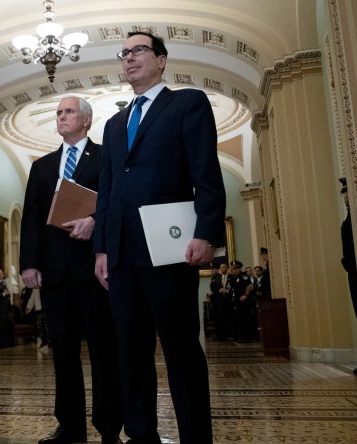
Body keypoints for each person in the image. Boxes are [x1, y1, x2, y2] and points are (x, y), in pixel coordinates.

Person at [93, 31, 226, 443]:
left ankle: (195, 437)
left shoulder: (187, 104)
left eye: (139, 50)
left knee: (181, 350)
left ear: (162, 60)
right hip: (121, 256)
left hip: (169, 249)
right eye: (125, 53)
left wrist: (206, 232)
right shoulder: (114, 124)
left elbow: (205, 172)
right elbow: (108, 190)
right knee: (131, 354)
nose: (130, 58)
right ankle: (141, 435)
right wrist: (101, 248)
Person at [20, 96, 123, 444]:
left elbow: (115, 201)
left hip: (94, 268)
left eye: (68, 112)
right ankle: (70, 426)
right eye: (59, 112)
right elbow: (31, 217)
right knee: (63, 353)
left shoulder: (106, 156)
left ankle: (109, 427)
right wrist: (29, 263)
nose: (61, 117)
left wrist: (94, 221)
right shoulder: (42, 166)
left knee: (103, 349)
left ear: (87, 120)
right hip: (54, 273)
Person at [340, 177, 357, 379]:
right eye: (343, 193)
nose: (344, 197)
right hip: (354, 272)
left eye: (346, 192)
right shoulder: (350, 217)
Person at [209, 262, 232, 341]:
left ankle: (223, 336)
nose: (212, 271)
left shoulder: (221, 277)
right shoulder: (215, 278)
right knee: (217, 319)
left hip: (222, 301)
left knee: (222, 319)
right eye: (221, 268)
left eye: (213, 269)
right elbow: (214, 289)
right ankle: (219, 335)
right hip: (216, 301)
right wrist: (211, 293)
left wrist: (215, 292)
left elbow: (221, 289)